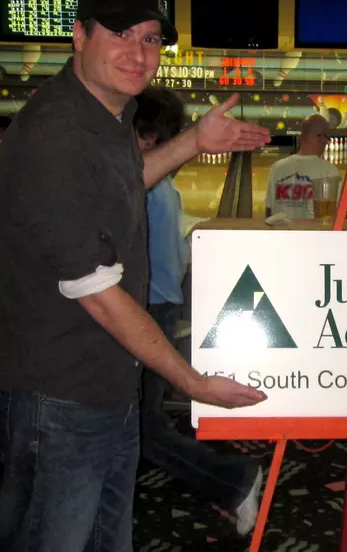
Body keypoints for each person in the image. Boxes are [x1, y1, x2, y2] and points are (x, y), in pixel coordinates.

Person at [0, 0, 272, 551]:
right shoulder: (57, 135)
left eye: (150, 39)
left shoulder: (109, 116)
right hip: (58, 389)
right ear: (79, 35)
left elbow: (122, 186)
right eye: (120, 33)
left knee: (104, 538)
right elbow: (94, 288)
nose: (138, 53)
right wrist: (190, 382)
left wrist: (192, 142)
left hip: (106, 380)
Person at [133, 86, 262, 536]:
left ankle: (232, 479)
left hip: (144, 311)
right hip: (159, 307)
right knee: (136, 419)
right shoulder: (163, 188)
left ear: (145, 137)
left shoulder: (144, 189)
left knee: (140, 426)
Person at [265, 113, 339, 219]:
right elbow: (338, 217)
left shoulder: (277, 167)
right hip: (313, 235)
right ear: (322, 138)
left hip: (281, 234)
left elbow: (269, 211)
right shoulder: (331, 172)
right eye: (328, 138)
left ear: (301, 137)